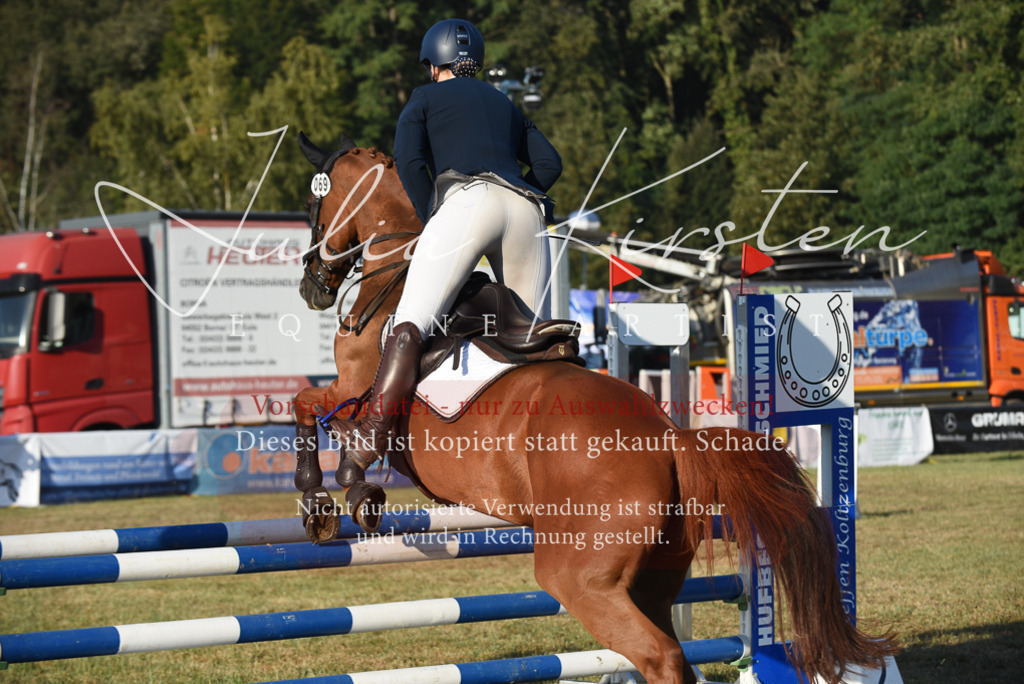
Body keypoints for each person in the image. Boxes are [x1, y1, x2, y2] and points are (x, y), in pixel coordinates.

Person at [332, 18, 562, 532]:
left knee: (407, 326)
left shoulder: (423, 97)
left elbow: (411, 161)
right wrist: (524, 189)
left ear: (432, 63)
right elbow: (551, 163)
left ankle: (368, 442)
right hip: (526, 211)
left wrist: (433, 214)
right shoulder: (506, 103)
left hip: (465, 201)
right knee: (527, 341)